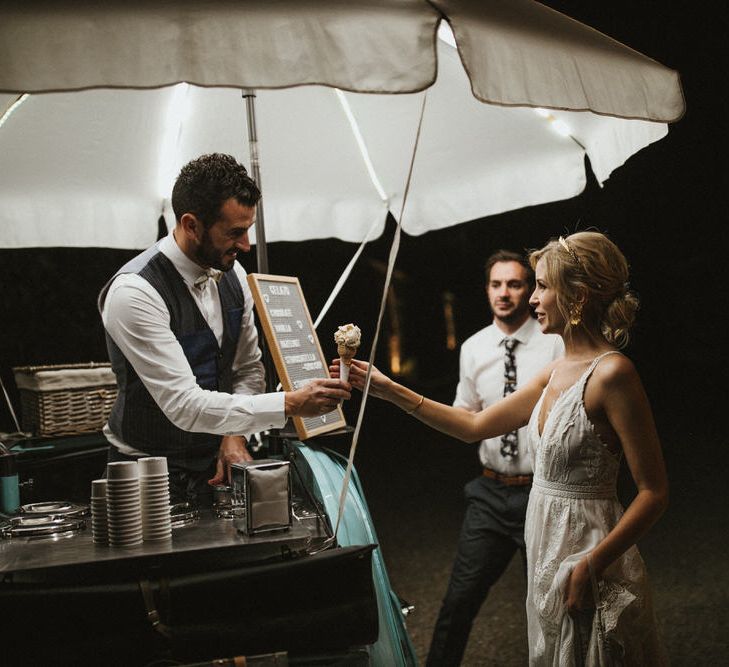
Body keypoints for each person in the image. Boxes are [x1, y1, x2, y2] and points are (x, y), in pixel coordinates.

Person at [333, 232, 668, 665]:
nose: (533, 298)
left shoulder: (612, 374)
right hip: (545, 536)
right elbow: (474, 425)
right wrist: (388, 389)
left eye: (543, 285)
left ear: (578, 297)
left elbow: (654, 492)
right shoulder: (555, 370)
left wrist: (593, 563)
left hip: (587, 545)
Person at [99, 153, 350, 505]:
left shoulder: (233, 275)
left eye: (248, 229)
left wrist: (233, 435)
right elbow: (184, 405)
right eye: (234, 232)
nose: (245, 244)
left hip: (218, 468)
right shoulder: (135, 292)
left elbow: (247, 368)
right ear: (191, 225)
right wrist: (290, 402)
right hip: (144, 475)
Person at [426, 250, 563, 666]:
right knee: (458, 600)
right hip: (490, 491)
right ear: (487, 289)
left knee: (547, 608)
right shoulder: (472, 348)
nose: (504, 293)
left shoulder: (556, 345)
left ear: (530, 289)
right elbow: (465, 413)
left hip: (542, 492)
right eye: (496, 284)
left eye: (515, 284)